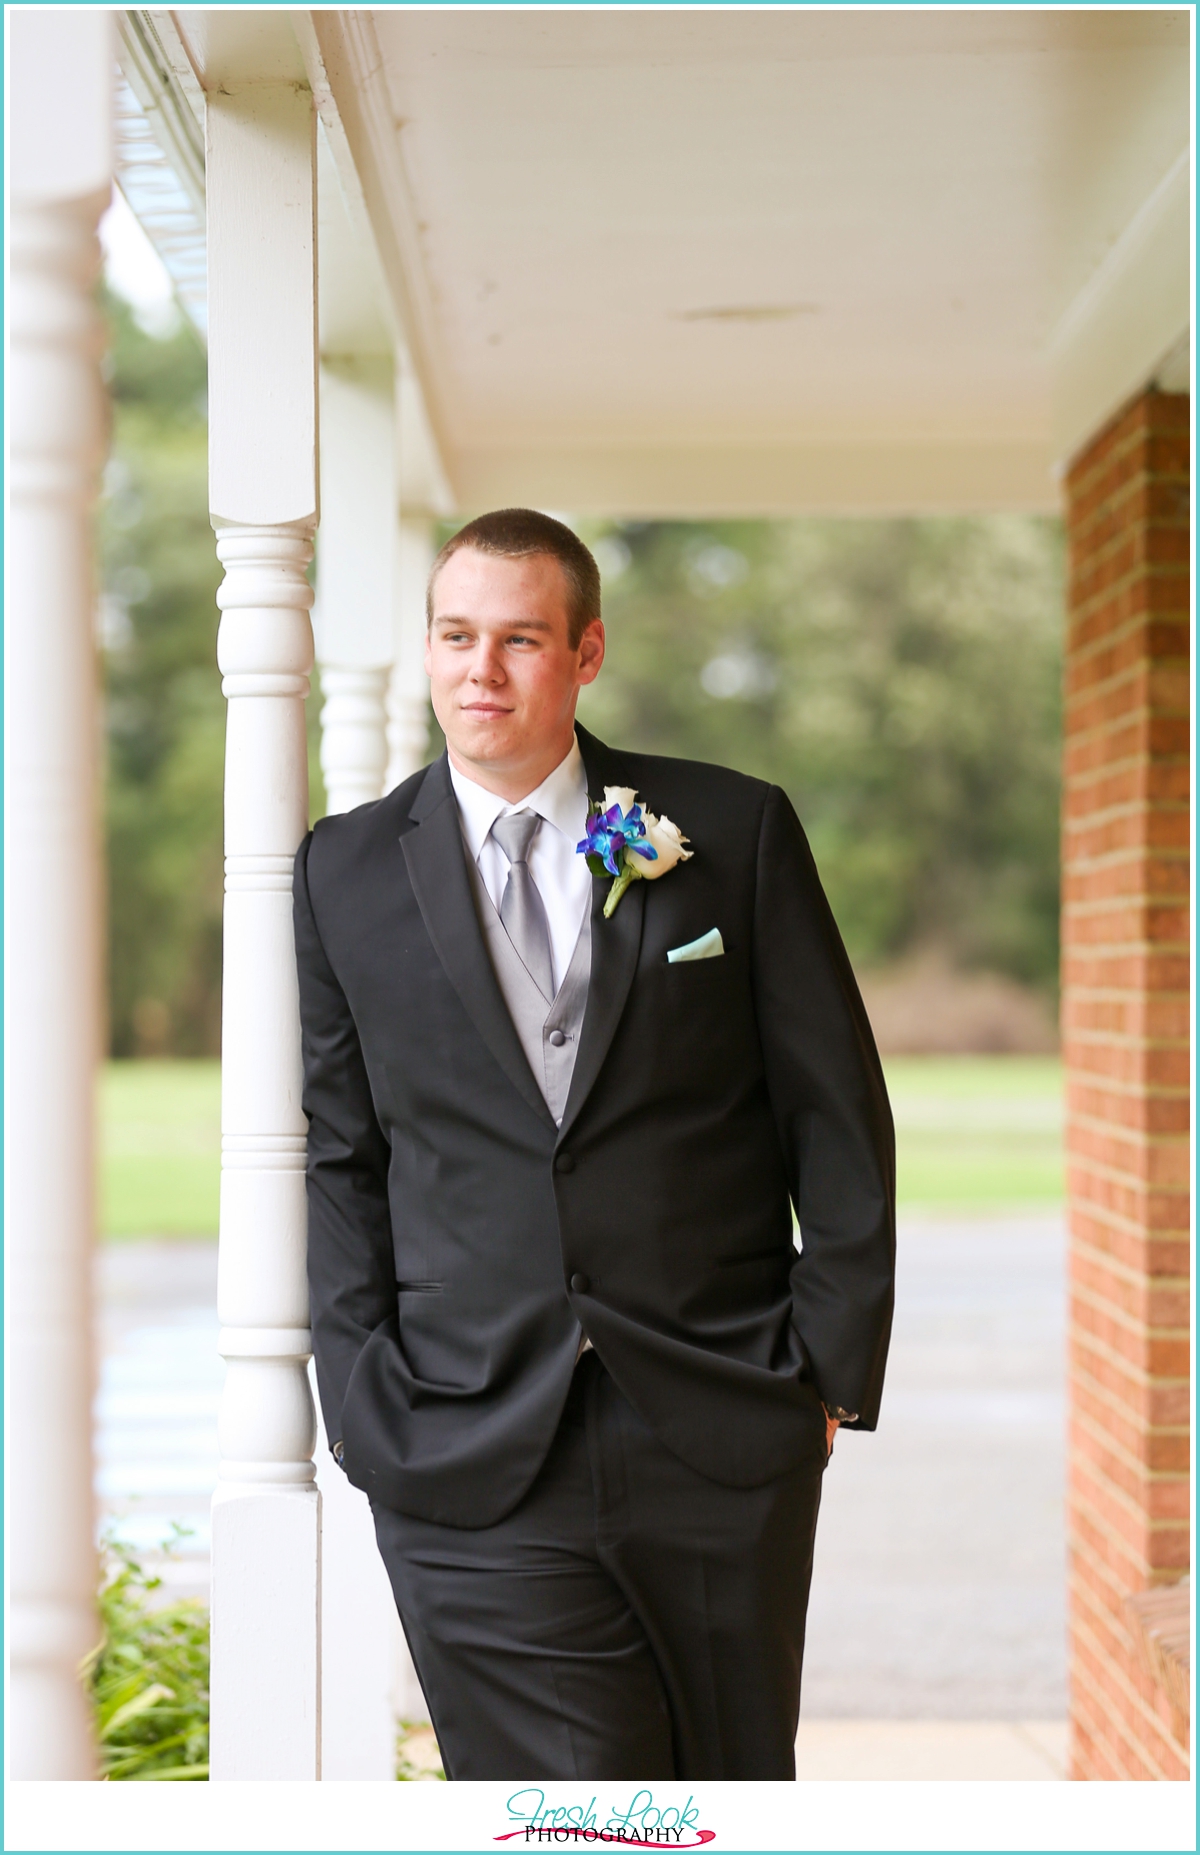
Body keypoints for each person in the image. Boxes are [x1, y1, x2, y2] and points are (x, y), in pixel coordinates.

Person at [293, 508, 895, 1781]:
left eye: (519, 639)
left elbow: (832, 1110)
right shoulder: (343, 870)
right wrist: (359, 1395)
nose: (480, 671)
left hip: (719, 1419)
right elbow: (341, 1155)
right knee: (572, 1805)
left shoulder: (728, 833)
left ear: (587, 653)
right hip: (465, 1437)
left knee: (728, 1789)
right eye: (455, 636)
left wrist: (825, 1368)